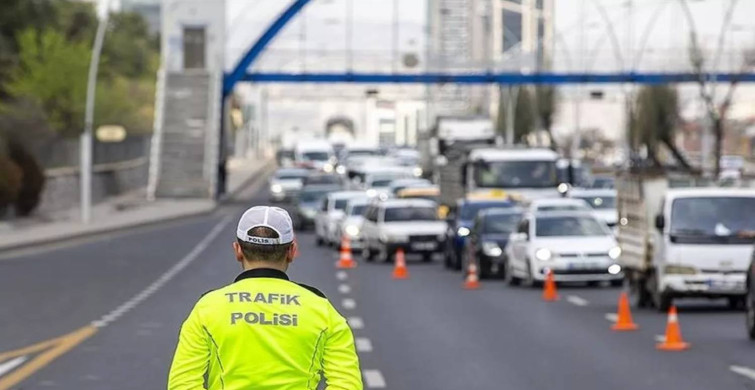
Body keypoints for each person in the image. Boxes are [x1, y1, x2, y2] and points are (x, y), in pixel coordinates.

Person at [168, 206, 363, 390]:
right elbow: (347, 385)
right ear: (291, 251)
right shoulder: (321, 309)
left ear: (238, 250)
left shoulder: (208, 308)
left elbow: (182, 384)